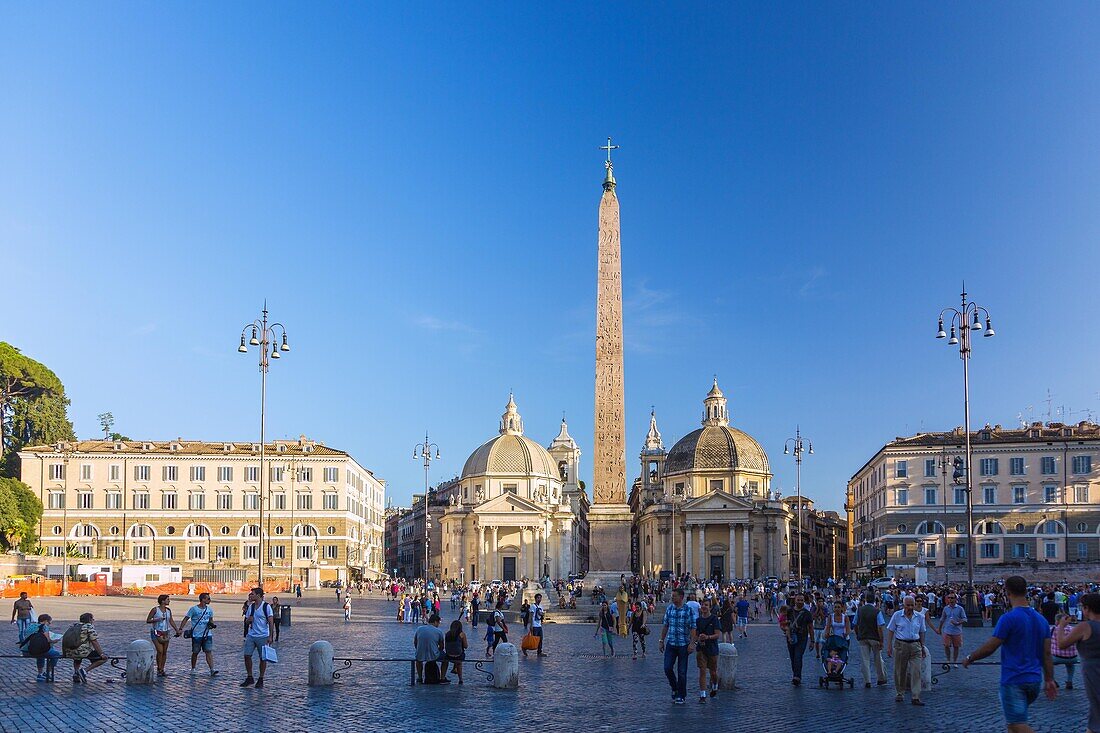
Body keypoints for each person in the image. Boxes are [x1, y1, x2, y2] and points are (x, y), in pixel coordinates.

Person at [965, 575, 1056, 732]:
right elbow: (1047, 653)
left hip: (1014, 679)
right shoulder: (1041, 620)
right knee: (1012, 724)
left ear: (1007, 592)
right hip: (1034, 680)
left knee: (1016, 723)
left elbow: (990, 647)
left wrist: (970, 657)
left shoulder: (1008, 618)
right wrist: (1049, 679)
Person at [1055, 592, 1100, 731]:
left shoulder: (1085, 627)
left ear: (1087, 608)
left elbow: (1062, 644)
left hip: (1093, 672)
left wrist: (1061, 626)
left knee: (1096, 706)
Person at [886, 595, 927, 706]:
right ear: (903, 605)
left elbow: (922, 632)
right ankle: (900, 692)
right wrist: (889, 645)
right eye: (907, 605)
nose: (910, 607)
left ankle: (916, 696)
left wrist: (923, 646)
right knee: (900, 670)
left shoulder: (919, 617)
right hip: (901, 644)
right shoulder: (897, 615)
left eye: (911, 605)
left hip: (915, 645)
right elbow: (890, 631)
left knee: (916, 671)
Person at [659, 588, 697, 705]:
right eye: (672, 596)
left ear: (681, 597)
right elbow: (666, 625)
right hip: (671, 643)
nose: (672, 598)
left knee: (682, 671)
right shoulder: (670, 608)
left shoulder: (688, 610)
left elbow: (693, 628)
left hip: (683, 644)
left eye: (674, 596)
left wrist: (692, 643)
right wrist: (661, 640)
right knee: (667, 668)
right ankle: (674, 687)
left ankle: (681, 695)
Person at [241, 587, 275, 688]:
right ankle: (250, 677)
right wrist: (248, 620)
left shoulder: (266, 607)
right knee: (247, 655)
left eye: (253, 594)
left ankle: (261, 678)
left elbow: (271, 622)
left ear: (259, 596)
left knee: (262, 658)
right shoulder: (251, 607)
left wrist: (270, 636)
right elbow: (246, 621)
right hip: (251, 635)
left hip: (263, 635)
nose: (251, 596)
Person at [177, 592, 218, 676]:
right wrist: (180, 629)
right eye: (208, 598)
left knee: (208, 651)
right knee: (195, 652)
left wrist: (211, 625)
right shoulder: (194, 609)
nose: (210, 600)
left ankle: (212, 669)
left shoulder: (209, 610)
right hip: (196, 635)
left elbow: (211, 620)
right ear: (203, 599)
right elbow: (186, 619)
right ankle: (193, 668)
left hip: (207, 634)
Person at [63, 612, 107, 684]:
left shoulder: (74, 626)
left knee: (77, 658)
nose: (93, 620)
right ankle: (84, 671)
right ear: (90, 620)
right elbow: (94, 641)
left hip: (69, 651)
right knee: (103, 658)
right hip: (82, 651)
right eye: (92, 619)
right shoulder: (88, 626)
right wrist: (101, 654)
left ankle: (76, 673)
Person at [19, 613, 61, 682]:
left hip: (25, 651)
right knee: (55, 654)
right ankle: (47, 673)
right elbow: (48, 640)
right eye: (49, 622)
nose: (49, 624)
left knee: (41, 653)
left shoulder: (30, 626)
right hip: (35, 651)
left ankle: (40, 674)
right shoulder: (44, 627)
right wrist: (55, 641)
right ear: (45, 621)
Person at [695, 599, 721, 703]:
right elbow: (695, 634)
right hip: (701, 648)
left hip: (712, 648)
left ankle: (715, 686)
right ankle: (703, 695)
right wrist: (698, 639)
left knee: (713, 672)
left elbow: (717, 634)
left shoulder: (714, 619)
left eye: (706, 605)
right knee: (702, 671)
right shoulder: (698, 620)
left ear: (710, 607)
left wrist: (707, 637)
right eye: (702, 605)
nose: (704, 607)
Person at [145, 594, 178, 677]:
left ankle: (162, 668)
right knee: (160, 651)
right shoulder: (155, 610)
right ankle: (159, 667)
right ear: (162, 601)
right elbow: (148, 620)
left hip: (166, 632)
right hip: (156, 632)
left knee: (164, 652)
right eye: (167, 599)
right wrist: (156, 619)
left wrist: (177, 629)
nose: (169, 601)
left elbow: (171, 620)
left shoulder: (168, 610)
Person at [784, 594, 813, 686]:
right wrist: (788, 635)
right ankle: (795, 674)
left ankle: (797, 676)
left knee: (798, 656)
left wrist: (812, 640)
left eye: (802, 600)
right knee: (792, 657)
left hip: (802, 638)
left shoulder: (807, 613)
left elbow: (810, 627)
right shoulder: (789, 611)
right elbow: (785, 624)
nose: (800, 602)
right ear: (795, 600)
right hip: (791, 637)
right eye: (798, 600)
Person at [413, 614, 447, 684]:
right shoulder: (439, 631)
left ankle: (419, 677)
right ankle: (442, 678)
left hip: (420, 653)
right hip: (434, 655)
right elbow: (442, 646)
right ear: (435, 622)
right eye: (438, 623)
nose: (438, 625)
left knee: (418, 660)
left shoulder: (419, 629)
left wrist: (418, 649)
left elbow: (415, 642)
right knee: (446, 660)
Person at [936, 592, 968, 663]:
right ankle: (948, 660)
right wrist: (939, 628)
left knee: (956, 647)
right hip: (947, 630)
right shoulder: (945, 608)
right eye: (949, 598)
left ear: (956, 599)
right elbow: (942, 619)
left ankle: (955, 661)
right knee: (946, 646)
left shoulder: (960, 609)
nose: (950, 599)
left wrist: (958, 623)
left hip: (957, 631)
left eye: (952, 598)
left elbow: (965, 619)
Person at [1050, 613, 1078, 690]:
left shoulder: (1053, 629)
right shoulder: (1074, 630)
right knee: (1070, 664)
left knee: (1044, 663)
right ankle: (1069, 681)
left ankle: (1052, 680)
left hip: (1057, 657)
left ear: (1058, 621)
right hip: (1072, 657)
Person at [442, 619, 468, 684]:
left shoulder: (447, 634)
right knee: (459, 660)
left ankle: (442, 677)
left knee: (445, 662)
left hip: (448, 655)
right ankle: (460, 679)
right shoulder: (462, 634)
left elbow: (446, 646)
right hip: (459, 656)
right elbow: (465, 646)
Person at [527, 593, 546, 657]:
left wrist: (542, 615)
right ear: (535, 599)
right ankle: (525, 648)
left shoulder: (541, 606)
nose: (539, 599)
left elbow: (541, 615)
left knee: (540, 639)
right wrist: (531, 625)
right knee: (533, 639)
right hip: (534, 625)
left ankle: (539, 652)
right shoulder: (533, 606)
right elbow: (531, 615)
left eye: (540, 598)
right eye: (538, 598)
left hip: (539, 625)